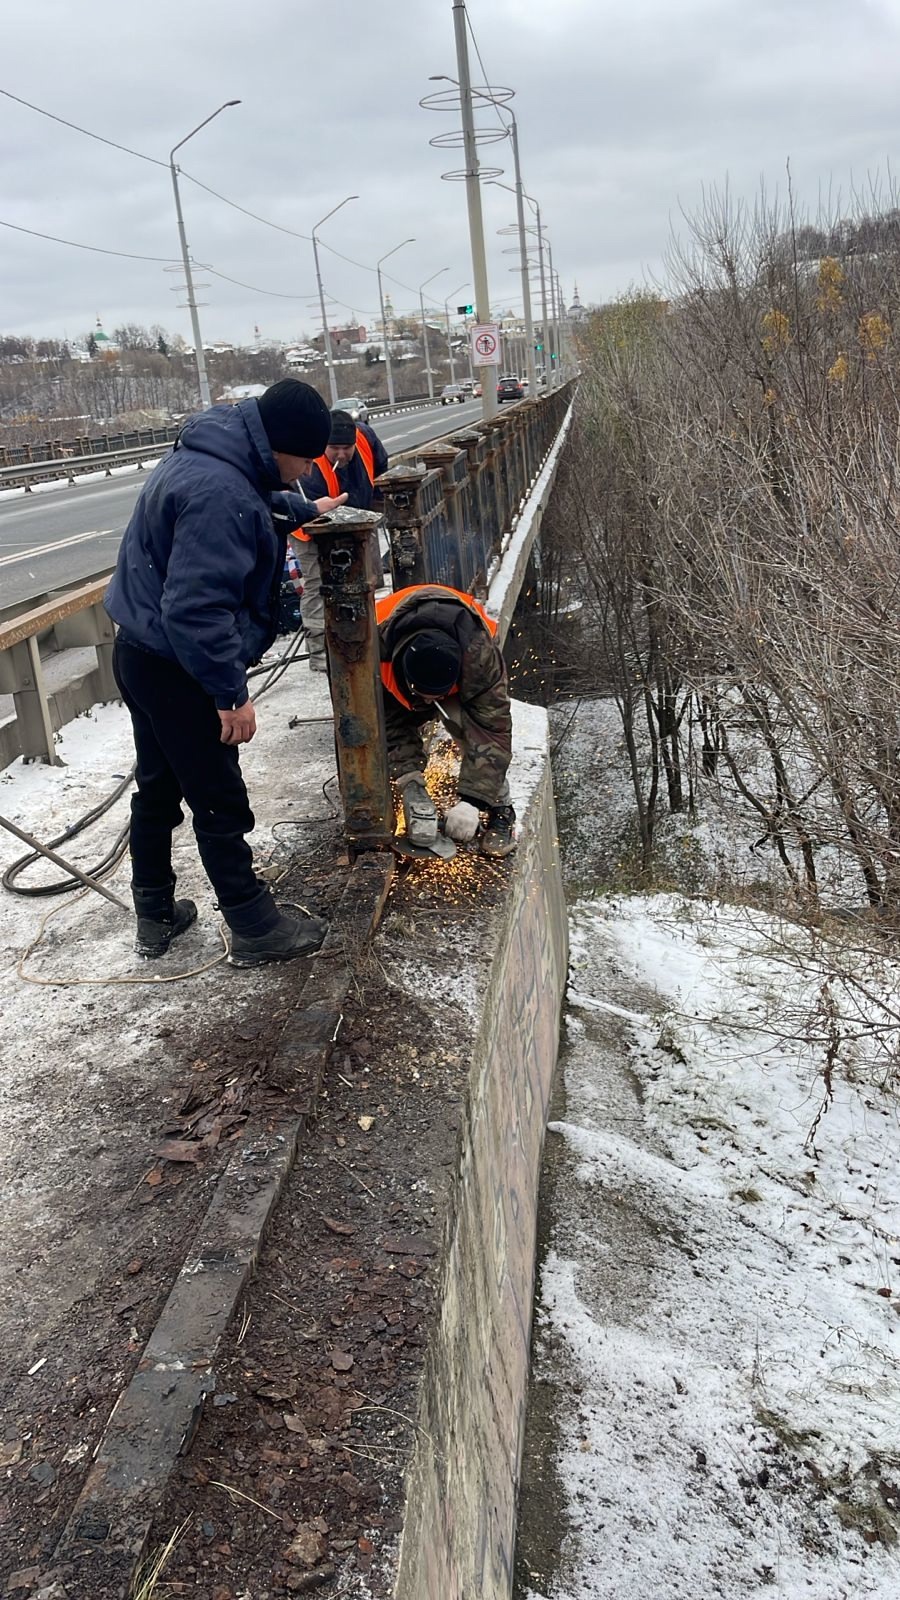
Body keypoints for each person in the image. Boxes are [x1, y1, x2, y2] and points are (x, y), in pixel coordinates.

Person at [105, 379, 338, 967]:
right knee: (217, 796)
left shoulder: (212, 452)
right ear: (279, 445)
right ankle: (253, 924)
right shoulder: (219, 491)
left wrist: (306, 511)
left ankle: (155, 912)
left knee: (158, 787)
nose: (308, 471)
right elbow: (196, 608)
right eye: (306, 461)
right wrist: (228, 694)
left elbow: (255, 503)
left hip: (138, 651)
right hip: (178, 665)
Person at [376, 584, 517, 858]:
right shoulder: (371, 653)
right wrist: (410, 781)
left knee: (466, 726)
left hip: (467, 648)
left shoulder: (479, 659)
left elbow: (493, 730)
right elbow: (388, 726)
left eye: (437, 697)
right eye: (424, 696)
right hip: (389, 661)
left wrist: (472, 801)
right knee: (378, 735)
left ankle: (501, 809)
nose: (430, 705)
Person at [293, 409, 389, 671]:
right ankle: (319, 651)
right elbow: (320, 518)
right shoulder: (310, 468)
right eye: (334, 448)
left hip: (357, 521)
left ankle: (364, 634)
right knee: (318, 584)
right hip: (311, 527)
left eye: (347, 448)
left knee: (366, 579)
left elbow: (381, 466)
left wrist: (377, 502)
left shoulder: (366, 437)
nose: (341, 455)